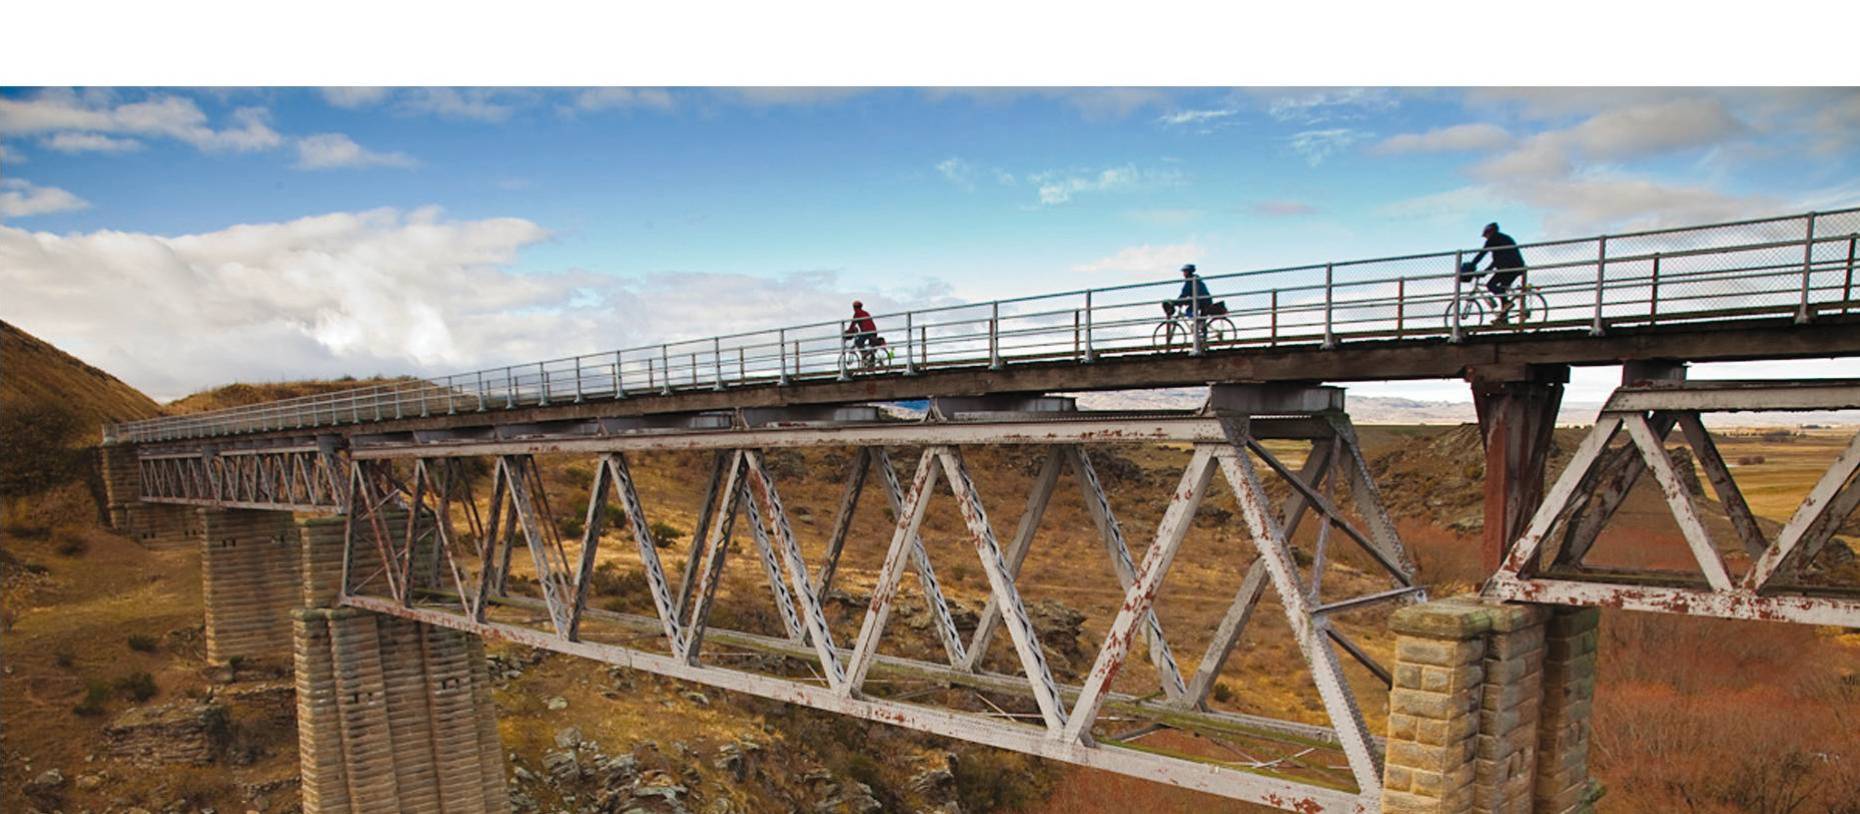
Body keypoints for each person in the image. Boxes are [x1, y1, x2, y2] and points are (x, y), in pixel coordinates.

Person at [1464, 222, 1527, 323]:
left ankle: (1506, 306)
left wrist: (1471, 266)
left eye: (1486, 235)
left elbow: (1482, 253)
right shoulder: (1502, 239)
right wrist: (1486, 271)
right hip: (1515, 267)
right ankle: (1503, 318)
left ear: (1490, 232)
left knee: (1491, 285)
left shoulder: (1494, 238)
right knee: (1502, 290)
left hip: (1508, 267)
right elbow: (1497, 260)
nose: (1486, 238)